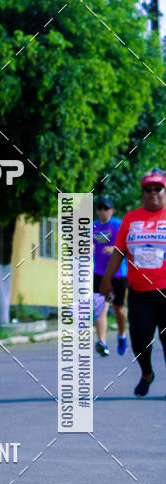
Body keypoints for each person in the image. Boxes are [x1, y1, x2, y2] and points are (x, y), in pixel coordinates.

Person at [100, 169, 166, 397]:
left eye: (158, 188)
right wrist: (107, 278)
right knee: (139, 339)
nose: (153, 193)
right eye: (148, 189)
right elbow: (119, 250)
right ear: (142, 193)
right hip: (139, 292)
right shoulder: (131, 219)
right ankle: (147, 373)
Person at [93, 196, 127, 357]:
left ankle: (122, 335)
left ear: (111, 210)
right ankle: (102, 342)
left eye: (106, 208)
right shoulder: (93, 227)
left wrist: (113, 249)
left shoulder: (118, 225)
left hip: (118, 273)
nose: (102, 211)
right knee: (101, 306)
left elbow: (126, 245)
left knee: (118, 307)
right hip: (99, 273)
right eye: (99, 208)